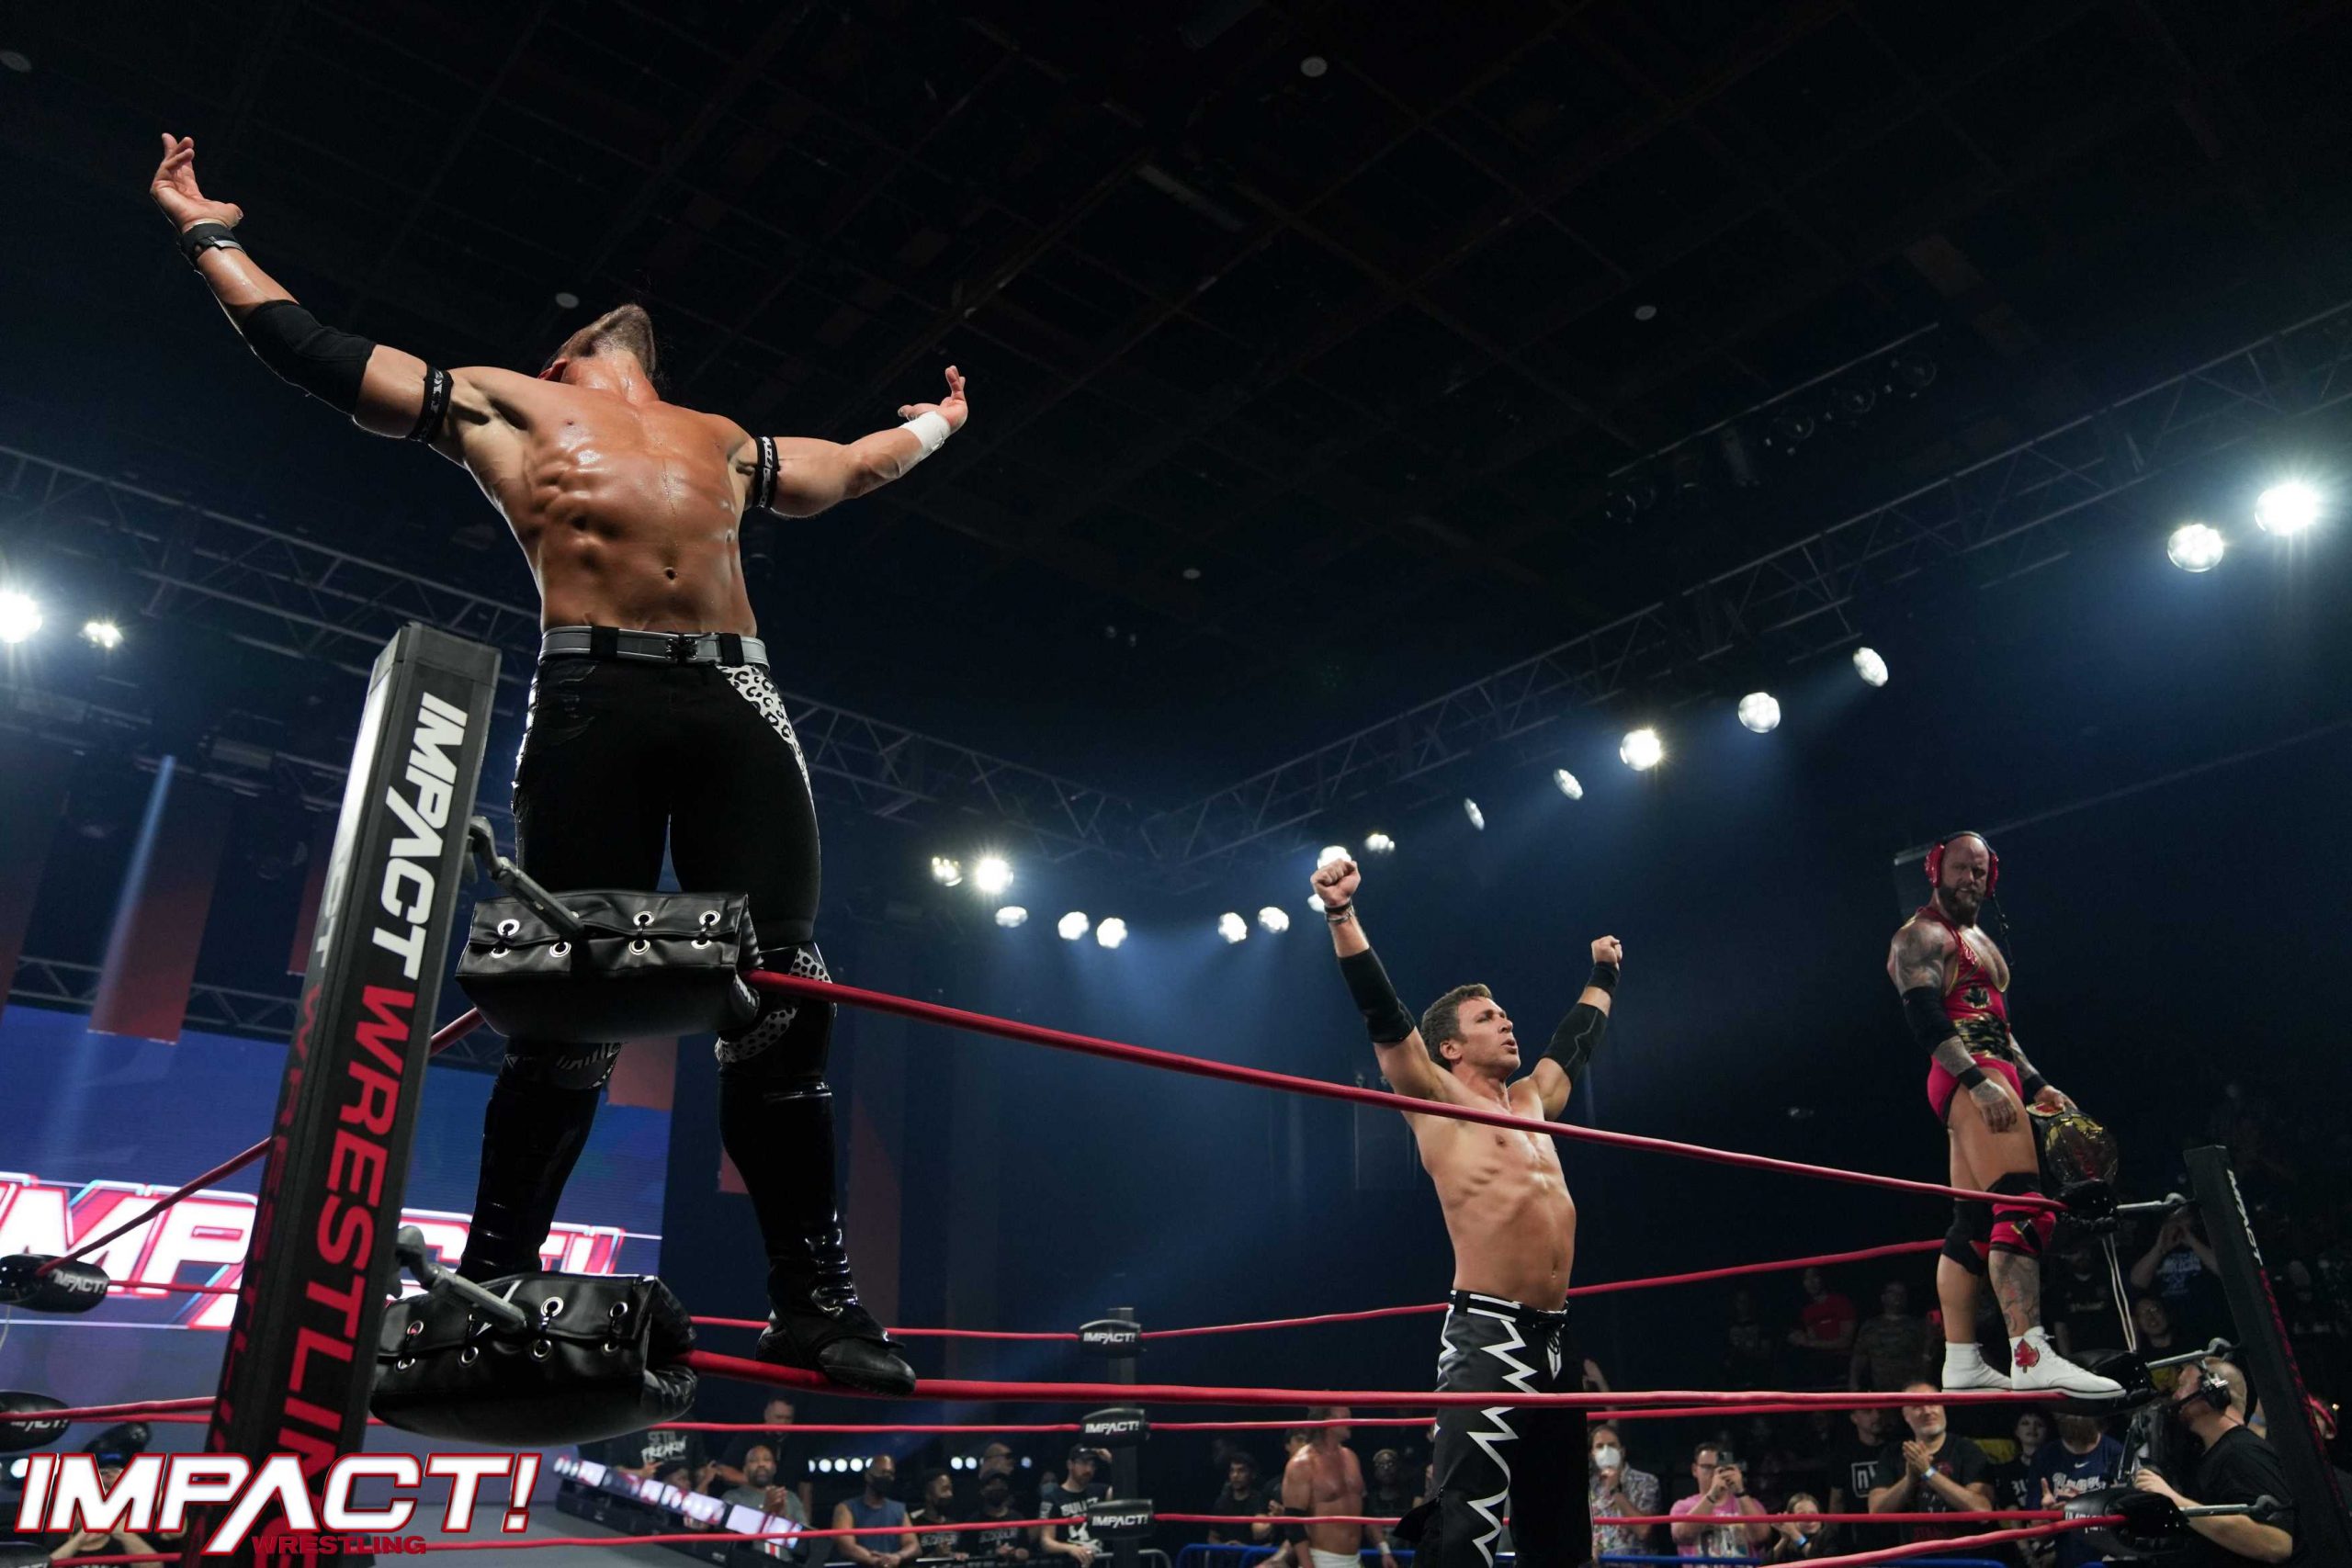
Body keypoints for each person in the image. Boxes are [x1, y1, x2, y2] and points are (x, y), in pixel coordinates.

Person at [147, 134, 972, 1394]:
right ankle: (490, 1286)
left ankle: (813, 1302)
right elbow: (310, 348)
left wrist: (936, 423)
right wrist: (206, 233)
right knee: (568, 1002)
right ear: (559, 359)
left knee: (785, 988)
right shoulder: (505, 401)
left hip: (736, 690)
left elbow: (854, 466)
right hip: (595, 691)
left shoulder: (721, 438)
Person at [1312, 852, 1623, 1568]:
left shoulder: (1534, 1099)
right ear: (1450, 1045)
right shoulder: (1436, 1101)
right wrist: (1341, 913)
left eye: (1506, 1013)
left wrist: (1604, 972)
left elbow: (1575, 1041)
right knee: (1465, 1525)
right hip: (1489, 1333)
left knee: (1560, 1529)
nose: (1508, 1023)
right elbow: (1384, 1015)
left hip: (1556, 1336)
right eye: (1488, 1017)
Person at [1886, 831, 2120, 1396]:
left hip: (1994, 1069)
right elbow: (1925, 1019)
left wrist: (2038, 1085)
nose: (1972, 879)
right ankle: (2029, 1352)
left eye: (1981, 871)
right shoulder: (1921, 935)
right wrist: (1976, 1082)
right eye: (1962, 868)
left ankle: (1961, 1361)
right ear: (1936, 870)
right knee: (2026, 1205)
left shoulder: (1978, 941)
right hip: (1972, 1073)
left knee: (1972, 1226)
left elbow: (1998, 1026)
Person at [2132, 1359, 2301, 1565]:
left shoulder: (2240, 1453)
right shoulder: (2212, 1456)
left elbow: (2277, 1544)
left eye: (2183, 1386)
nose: (2176, 1396)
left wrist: (2175, 1502)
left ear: (2212, 1391)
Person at [1864, 1383, 1996, 1543]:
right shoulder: (1893, 1454)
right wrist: (1910, 1480)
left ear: (1942, 1407)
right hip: (1915, 1554)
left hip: (1962, 1553)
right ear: (1905, 1415)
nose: (1927, 1411)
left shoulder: (1967, 1450)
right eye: (1917, 1407)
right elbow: (1876, 1512)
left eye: (1933, 1403)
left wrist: (1928, 1472)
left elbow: (1982, 1511)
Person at [1282, 1409, 1396, 1568]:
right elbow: (1293, 1523)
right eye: (1346, 1417)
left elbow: (1366, 1508)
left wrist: (1384, 1550)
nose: (1351, 1422)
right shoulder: (1302, 1464)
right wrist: (1307, 1565)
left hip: (1354, 1559)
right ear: (1328, 1420)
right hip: (1322, 1560)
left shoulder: (1351, 1457)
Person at [2028, 1413, 2124, 1568]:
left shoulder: (2116, 1453)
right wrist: (2049, 1515)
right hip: (2066, 1560)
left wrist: (2086, 1506)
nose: (2077, 1414)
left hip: (2107, 1560)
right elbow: (2040, 1536)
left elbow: (2127, 1526)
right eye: (2071, 1409)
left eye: (2081, 1408)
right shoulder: (2045, 1456)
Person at [2132, 1208, 2225, 1341]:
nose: (2178, 1223)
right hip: (2170, 1322)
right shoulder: (2155, 1244)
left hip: (2207, 1319)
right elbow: (2137, 1282)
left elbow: (2225, 1271)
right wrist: (2160, 1249)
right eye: (2174, 1219)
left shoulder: (2206, 1237)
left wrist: (2192, 1241)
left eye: (2183, 1218)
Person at [1669, 1444, 1772, 1559]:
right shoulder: (1683, 1506)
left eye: (1720, 1467)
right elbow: (1682, 1536)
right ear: (1695, 1470)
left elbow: (1761, 1538)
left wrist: (1740, 1492)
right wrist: (1712, 1495)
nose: (1715, 1473)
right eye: (1708, 1467)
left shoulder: (1750, 1504)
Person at [719, 1397, 813, 1515]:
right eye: (779, 1417)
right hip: (748, 1502)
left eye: (788, 1418)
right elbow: (723, 1469)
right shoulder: (748, 1436)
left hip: (788, 1503)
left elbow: (805, 1486)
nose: (783, 1423)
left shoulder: (798, 1443)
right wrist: (759, 1481)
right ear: (766, 1415)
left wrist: (806, 1519)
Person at [1588, 1424, 1662, 1560]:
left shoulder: (1646, 1481)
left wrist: (1615, 1490)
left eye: (1611, 1446)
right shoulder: (1590, 1486)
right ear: (1592, 1454)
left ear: (1622, 1451)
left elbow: (1643, 1530)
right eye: (1600, 1446)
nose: (1606, 1451)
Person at [1849, 1280, 1934, 1392]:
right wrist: (1853, 1382)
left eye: (1902, 1294)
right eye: (1892, 1293)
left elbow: (1926, 1357)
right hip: (1880, 1388)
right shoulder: (1870, 1326)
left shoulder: (1917, 1326)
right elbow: (1860, 1356)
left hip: (1911, 1388)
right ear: (1883, 1298)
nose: (1897, 1297)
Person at [834, 1458, 919, 1568]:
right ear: (868, 1476)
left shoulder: (898, 1509)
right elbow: (846, 1546)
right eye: (883, 1473)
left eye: (891, 1474)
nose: (887, 1477)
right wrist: (874, 1560)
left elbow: (913, 1545)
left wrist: (898, 1556)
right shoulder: (846, 1508)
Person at [1036, 1447, 1111, 1568]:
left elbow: (1126, 1489)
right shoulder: (1052, 1498)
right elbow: (1046, 1542)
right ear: (1070, 1464)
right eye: (1083, 1463)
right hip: (1069, 1563)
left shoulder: (1100, 1491)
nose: (1088, 1469)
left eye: (1092, 1465)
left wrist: (1112, 1460)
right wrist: (1071, 1548)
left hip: (1099, 1562)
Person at [1788, 1268, 1859, 1386]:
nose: (1811, 1282)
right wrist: (1799, 1338)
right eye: (1806, 1279)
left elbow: (1846, 1342)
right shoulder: (1808, 1310)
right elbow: (1813, 1341)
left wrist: (1808, 1343)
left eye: (1814, 1277)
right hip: (1821, 1362)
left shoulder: (1840, 1302)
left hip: (1844, 1359)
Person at [721, 1445, 809, 1525]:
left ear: (774, 1468)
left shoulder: (790, 1497)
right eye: (754, 1461)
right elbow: (727, 1532)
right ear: (745, 1469)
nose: (761, 1464)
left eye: (766, 1460)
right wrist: (766, 1510)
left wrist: (783, 1515)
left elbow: (804, 1534)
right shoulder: (732, 1497)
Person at [1205, 1453, 1273, 1548]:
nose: (1235, 1475)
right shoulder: (1222, 1502)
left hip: (1253, 1555)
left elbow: (1269, 1541)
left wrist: (1245, 1549)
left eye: (1241, 1471)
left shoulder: (1261, 1501)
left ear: (1252, 1474)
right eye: (1232, 1471)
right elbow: (1212, 1536)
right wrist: (1224, 1547)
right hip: (1225, 1555)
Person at [965, 1473, 1034, 1564]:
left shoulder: (1017, 1517)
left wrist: (1016, 1553)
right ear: (982, 1491)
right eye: (993, 1484)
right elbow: (968, 1553)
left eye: (1002, 1484)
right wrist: (994, 1554)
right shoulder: (974, 1520)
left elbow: (1025, 1548)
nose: (998, 1488)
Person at [1365, 1450, 1419, 1552]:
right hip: (1378, 1555)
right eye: (1381, 1465)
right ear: (1375, 1471)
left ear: (1398, 1467)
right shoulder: (1370, 1500)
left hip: (1407, 1553)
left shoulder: (1410, 1498)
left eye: (1390, 1464)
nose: (1386, 1468)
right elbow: (1370, 1528)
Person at [910, 1469, 968, 1562]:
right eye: (944, 1489)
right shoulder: (914, 1526)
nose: (950, 1494)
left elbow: (965, 1554)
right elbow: (910, 1563)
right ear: (928, 1495)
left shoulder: (955, 1525)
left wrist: (961, 1556)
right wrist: (935, 1555)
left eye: (950, 1489)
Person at [1764, 1493, 1831, 1562]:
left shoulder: (1829, 1537)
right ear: (1790, 1520)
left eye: (1813, 1514)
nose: (1809, 1519)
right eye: (1802, 1515)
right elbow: (1764, 1565)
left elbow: (1819, 1561)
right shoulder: (1787, 1544)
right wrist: (1785, 1539)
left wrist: (1794, 1533)